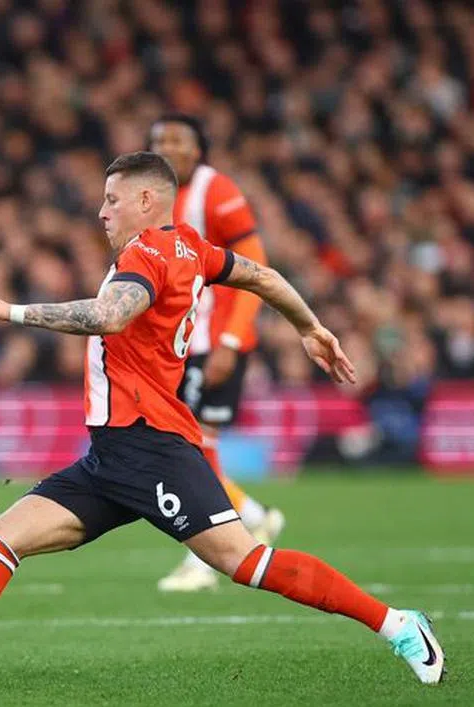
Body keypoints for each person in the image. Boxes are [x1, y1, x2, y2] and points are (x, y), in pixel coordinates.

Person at [0, 152, 444, 685]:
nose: (102, 211)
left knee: (245, 562)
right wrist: (310, 327)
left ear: (148, 200)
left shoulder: (148, 252)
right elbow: (263, 275)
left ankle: (398, 625)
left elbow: (110, 316)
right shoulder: (192, 249)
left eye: (112, 199)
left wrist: (9, 312)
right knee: (0, 536)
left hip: (155, 449)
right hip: (111, 457)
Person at [149, 114, 286, 592]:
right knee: (190, 448)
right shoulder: (159, 197)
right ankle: (254, 516)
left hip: (216, 343)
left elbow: (256, 266)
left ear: (199, 147)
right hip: (185, 344)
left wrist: (230, 341)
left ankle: (206, 559)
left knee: (190, 450)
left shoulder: (216, 191)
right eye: (159, 140)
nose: (168, 147)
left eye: (178, 139)